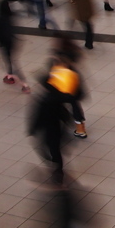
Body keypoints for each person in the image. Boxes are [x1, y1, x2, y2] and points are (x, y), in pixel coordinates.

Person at [28, 51, 80, 184]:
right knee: (55, 151)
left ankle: (56, 169)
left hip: (49, 130)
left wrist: (32, 129)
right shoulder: (56, 97)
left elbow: (38, 115)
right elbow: (64, 113)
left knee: (48, 150)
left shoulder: (45, 100)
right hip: (57, 129)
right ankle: (58, 169)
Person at [0, 0, 29, 92]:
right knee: (9, 62)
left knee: (10, 63)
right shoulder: (9, 16)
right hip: (12, 42)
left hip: (5, 44)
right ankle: (10, 76)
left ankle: (24, 85)